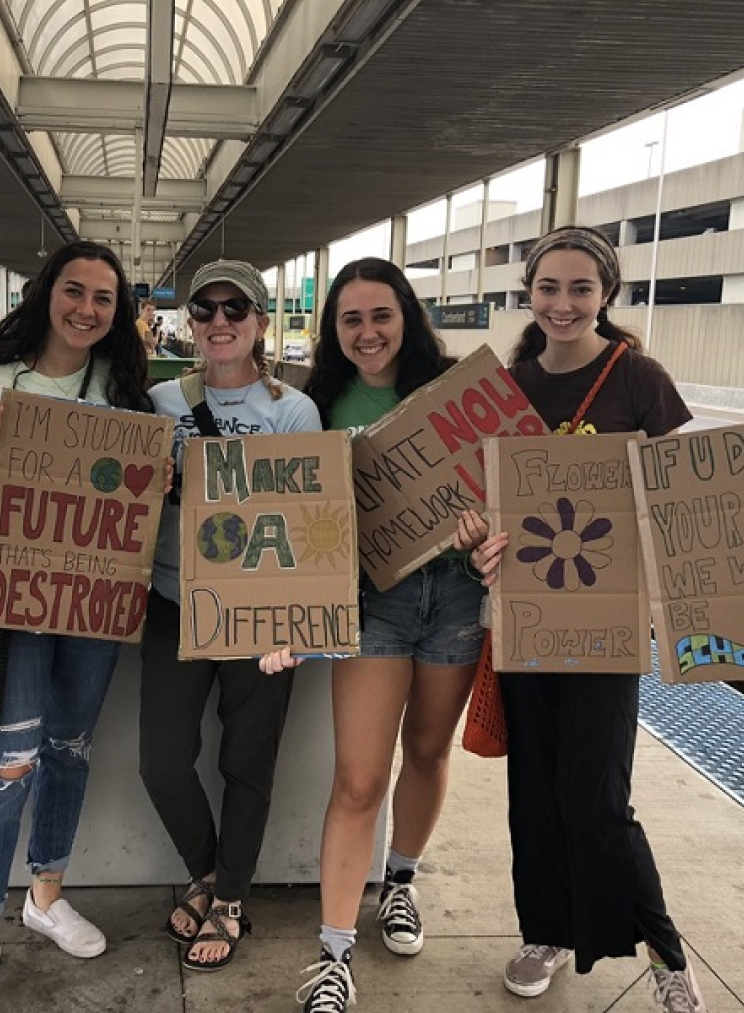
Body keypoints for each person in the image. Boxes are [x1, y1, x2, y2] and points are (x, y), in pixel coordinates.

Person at [457, 225, 744, 1013]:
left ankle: (664, 949)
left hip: (608, 627)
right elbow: (482, 507)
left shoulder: (640, 379)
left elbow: (698, 491)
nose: (563, 304)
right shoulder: (508, 387)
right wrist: (475, 545)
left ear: (607, 295)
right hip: (525, 621)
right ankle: (548, 929)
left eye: (581, 289)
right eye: (549, 288)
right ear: (528, 293)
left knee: (596, 796)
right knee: (535, 791)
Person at [259, 258, 486, 1012]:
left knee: (427, 750)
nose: (366, 332)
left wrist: (487, 527)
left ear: (407, 317)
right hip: (370, 600)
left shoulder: (455, 392)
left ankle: (401, 881)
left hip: (455, 594)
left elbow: (511, 482)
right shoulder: (314, 403)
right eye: (349, 319)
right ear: (332, 330)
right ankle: (332, 951)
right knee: (359, 778)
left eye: (380, 315)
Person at [0, 240, 154, 1013]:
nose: (88, 309)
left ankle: (46, 891)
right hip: (15, 596)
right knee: (10, 759)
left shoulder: (128, 389)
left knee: (69, 746)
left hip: (96, 601)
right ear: (46, 292)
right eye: (75, 291)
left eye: (105, 299)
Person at [139, 260, 321, 973]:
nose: (220, 321)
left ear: (260, 319)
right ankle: (208, 870)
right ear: (190, 321)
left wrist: (298, 621)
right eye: (205, 309)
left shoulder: (292, 412)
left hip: (258, 612)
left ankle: (231, 896)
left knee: (246, 759)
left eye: (235, 308)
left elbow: (309, 522)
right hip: (173, 601)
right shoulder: (158, 401)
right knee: (161, 759)